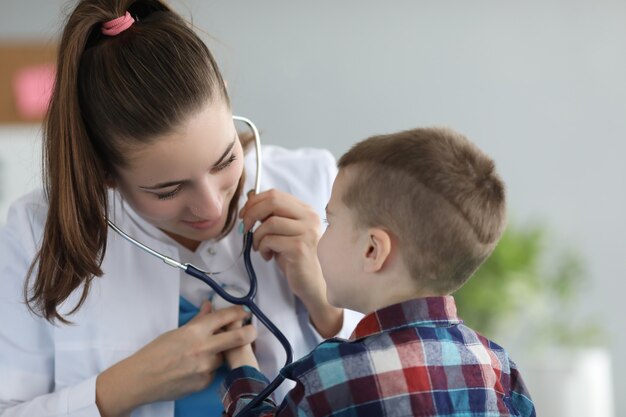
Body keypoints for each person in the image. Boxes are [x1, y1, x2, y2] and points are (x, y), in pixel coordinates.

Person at [0, 1, 362, 416]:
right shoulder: (35, 233)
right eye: (168, 190)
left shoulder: (318, 184)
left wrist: (328, 305)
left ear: (225, 97)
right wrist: (125, 386)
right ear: (104, 171)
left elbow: (410, 381)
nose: (210, 205)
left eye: (225, 161)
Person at [221, 127, 537, 416]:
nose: (320, 236)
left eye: (330, 221)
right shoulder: (499, 367)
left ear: (372, 250)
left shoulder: (334, 375)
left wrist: (241, 364)